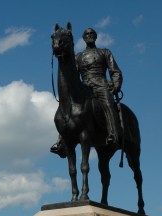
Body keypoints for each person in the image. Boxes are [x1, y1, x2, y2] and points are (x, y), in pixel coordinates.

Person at [51, 27, 122, 157]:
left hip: (101, 85)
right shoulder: (78, 56)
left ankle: (113, 133)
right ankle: (61, 142)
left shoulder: (105, 52)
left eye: (92, 34)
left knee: (107, 103)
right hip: (85, 86)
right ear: (83, 38)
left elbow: (115, 71)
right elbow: (73, 74)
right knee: (67, 109)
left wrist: (116, 84)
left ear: (95, 36)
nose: (89, 36)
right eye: (87, 34)